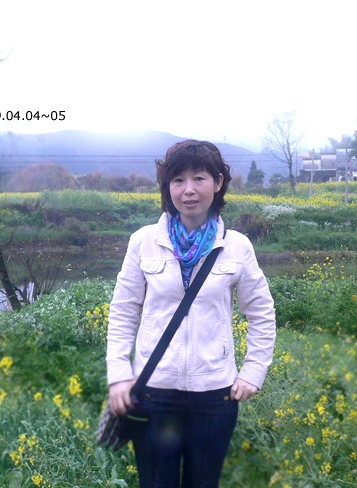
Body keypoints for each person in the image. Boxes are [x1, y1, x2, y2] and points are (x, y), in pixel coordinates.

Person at [105, 140, 276, 488]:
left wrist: (253, 371)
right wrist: (119, 374)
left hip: (214, 395)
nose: (188, 190)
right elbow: (123, 310)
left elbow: (260, 313)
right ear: (168, 187)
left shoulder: (237, 245)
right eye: (178, 180)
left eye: (199, 178)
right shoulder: (144, 241)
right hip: (153, 391)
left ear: (218, 182)